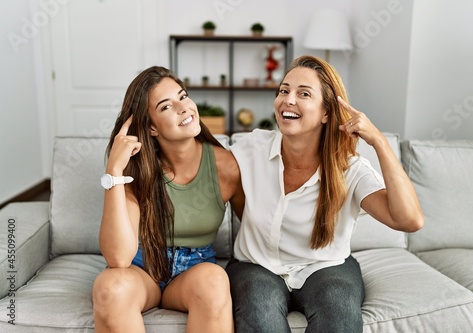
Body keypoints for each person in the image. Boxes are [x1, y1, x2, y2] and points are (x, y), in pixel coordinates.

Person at [226, 55, 424, 332]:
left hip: (325, 268)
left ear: (326, 113)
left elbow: (409, 220)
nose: (288, 100)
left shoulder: (350, 169)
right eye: (284, 90)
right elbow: (197, 168)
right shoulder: (252, 147)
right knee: (259, 308)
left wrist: (379, 141)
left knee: (339, 309)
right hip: (255, 265)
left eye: (303, 93)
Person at [92, 66, 244, 333]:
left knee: (214, 281)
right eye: (165, 107)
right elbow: (118, 258)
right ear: (151, 127)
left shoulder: (226, 167)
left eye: (183, 96)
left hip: (194, 271)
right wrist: (114, 172)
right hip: (143, 267)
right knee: (109, 287)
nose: (183, 107)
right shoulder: (134, 168)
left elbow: (255, 229)